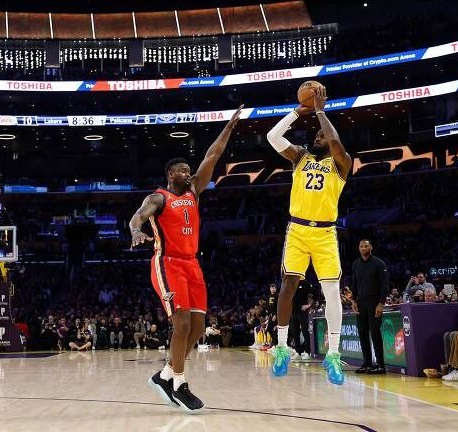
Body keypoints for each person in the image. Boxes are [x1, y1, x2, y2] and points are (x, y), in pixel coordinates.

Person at [129, 105, 243, 413]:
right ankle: (179, 383)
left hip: (193, 263)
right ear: (170, 175)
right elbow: (137, 217)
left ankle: (165, 375)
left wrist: (229, 128)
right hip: (167, 263)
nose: (188, 172)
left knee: (197, 328)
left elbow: (212, 156)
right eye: (182, 170)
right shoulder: (158, 198)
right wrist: (134, 231)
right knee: (180, 325)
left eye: (188, 169)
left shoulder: (193, 191)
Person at [265, 83, 352, 384]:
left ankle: (334, 355)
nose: (316, 138)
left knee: (331, 293)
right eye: (315, 135)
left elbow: (337, 143)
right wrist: (295, 112)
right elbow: (272, 137)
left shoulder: (341, 164)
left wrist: (320, 113)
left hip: (326, 234)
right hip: (298, 230)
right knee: (288, 285)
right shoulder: (300, 157)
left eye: (321, 136)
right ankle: (281, 348)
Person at [350, 239, 389, 374]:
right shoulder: (355, 264)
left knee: (375, 333)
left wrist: (381, 303)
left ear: (371, 247)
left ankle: (380, 365)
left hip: (374, 303)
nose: (363, 248)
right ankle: (367, 363)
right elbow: (354, 284)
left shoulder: (379, 263)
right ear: (358, 248)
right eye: (361, 246)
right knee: (362, 333)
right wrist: (353, 301)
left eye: (366, 246)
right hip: (360, 303)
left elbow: (385, 285)